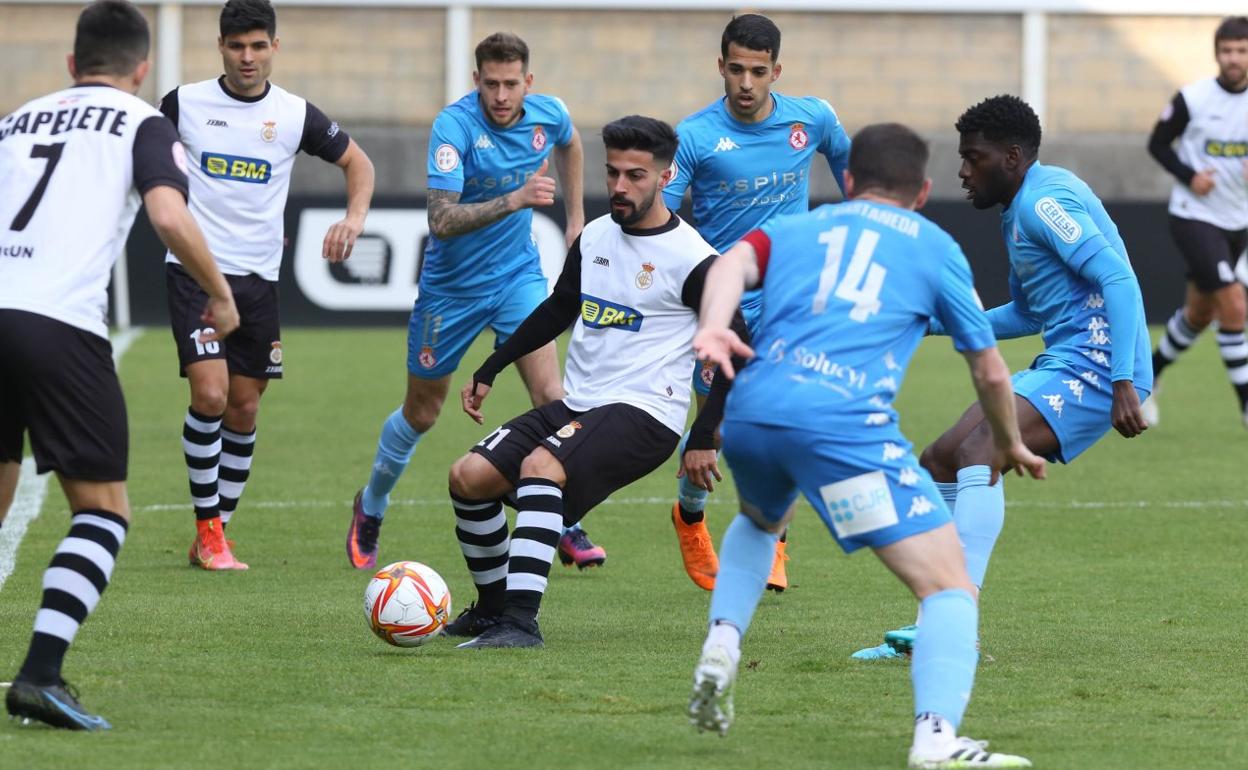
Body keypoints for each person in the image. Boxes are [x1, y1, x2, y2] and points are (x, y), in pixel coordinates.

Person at [685, 122, 1043, 770]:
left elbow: (730, 263)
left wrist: (713, 326)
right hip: (841, 433)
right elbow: (990, 371)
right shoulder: (934, 247)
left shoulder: (798, 227)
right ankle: (936, 739)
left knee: (761, 520)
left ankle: (723, 642)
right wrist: (1011, 442)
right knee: (949, 588)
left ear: (848, 181)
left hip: (754, 414)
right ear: (923, 192)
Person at [1, 0, 239, 729]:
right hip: (57, 323)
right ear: (142, 70)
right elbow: (168, 216)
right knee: (102, 511)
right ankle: (41, 675)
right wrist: (220, 294)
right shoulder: (143, 122)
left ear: (72, 63)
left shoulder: (16, 120)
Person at [854, 95, 1152, 661]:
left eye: (974, 158)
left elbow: (1118, 278)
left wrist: (1122, 381)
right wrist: (930, 322)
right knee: (941, 458)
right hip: (1069, 358)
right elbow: (1028, 314)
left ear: (1012, 157)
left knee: (981, 451)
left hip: (1098, 364)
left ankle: (956, 625)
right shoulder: (1019, 212)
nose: (963, 172)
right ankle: (932, 623)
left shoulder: (1043, 203)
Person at [441, 115, 740, 649]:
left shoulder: (694, 260)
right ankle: (491, 610)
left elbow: (739, 345)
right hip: (580, 403)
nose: (620, 186)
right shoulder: (596, 236)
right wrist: (494, 365)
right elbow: (560, 308)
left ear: (666, 176)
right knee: (468, 477)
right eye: (613, 172)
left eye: (636, 175)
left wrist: (703, 435)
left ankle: (520, 624)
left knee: (540, 467)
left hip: (647, 412)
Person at [345, 32, 597, 571]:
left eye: (512, 84)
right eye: (492, 84)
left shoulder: (548, 114)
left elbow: (572, 143)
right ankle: (372, 504)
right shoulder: (454, 126)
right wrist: (516, 198)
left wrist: (576, 217)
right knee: (422, 413)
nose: (501, 96)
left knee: (552, 397)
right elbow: (441, 219)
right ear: (476, 80)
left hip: (517, 280)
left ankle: (564, 519)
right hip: (451, 291)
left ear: (528, 82)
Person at [163, 0, 374, 570]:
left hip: (258, 279)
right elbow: (144, 160)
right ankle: (210, 534)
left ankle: (216, 531)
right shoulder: (183, 104)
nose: (247, 57)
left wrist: (354, 220)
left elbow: (359, 164)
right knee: (210, 395)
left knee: (244, 407)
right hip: (195, 273)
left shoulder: (294, 114)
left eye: (258, 46)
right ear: (220, 46)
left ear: (274, 47)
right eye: (236, 46)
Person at [662, 13, 851, 593]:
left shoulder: (811, 119)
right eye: (737, 70)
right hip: (721, 302)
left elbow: (856, 178)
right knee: (717, 430)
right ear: (721, 66)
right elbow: (662, 218)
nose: (746, 83)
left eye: (759, 72)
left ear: (777, 71)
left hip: (789, 301)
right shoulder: (694, 136)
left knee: (783, 423)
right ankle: (690, 516)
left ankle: (773, 541)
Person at [1142, 16, 1248, 427]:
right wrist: (1190, 176)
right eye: (1227, 51)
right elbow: (1156, 143)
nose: (1233, 58)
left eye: (1241, 51)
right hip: (1195, 216)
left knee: (1199, 314)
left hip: (1239, 221)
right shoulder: (1194, 98)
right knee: (1234, 307)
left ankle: (1149, 374)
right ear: (1216, 54)